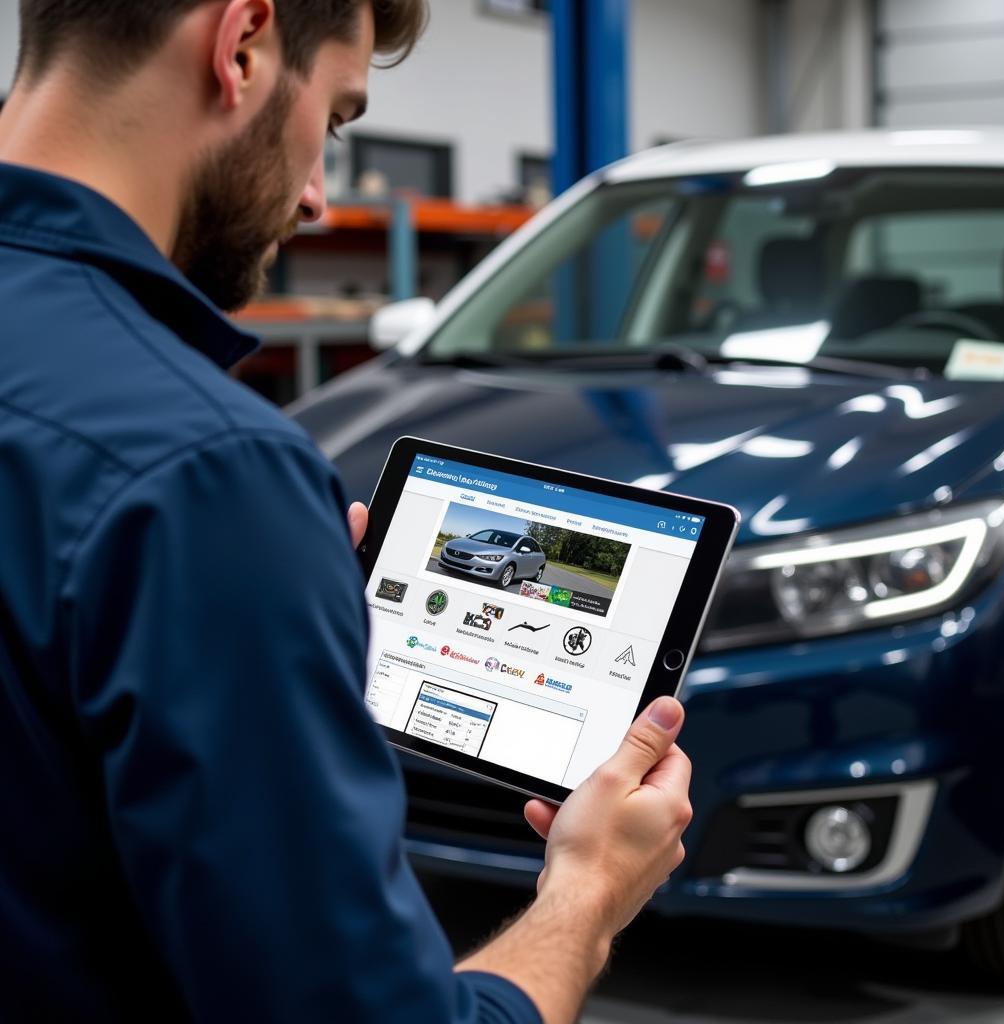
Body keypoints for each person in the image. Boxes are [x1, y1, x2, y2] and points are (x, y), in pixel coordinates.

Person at [0, 2, 693, 1021]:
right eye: (332, 117)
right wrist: (586, 895)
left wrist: (254, 619)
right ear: (242, 44)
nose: (320, 196)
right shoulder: (205, 472)